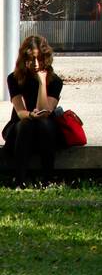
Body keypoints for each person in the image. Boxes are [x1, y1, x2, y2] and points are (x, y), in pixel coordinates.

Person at [2, 35, 64, 185]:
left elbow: (46, 111)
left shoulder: (55, 81)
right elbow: (20, 111)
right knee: (26, 123)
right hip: (22, 126)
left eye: (40, 59)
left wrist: (42, 82)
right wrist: (30, 114)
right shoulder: (14, 78)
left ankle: (48, 178)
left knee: (43, 123)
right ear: (24, 59)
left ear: (46, 58)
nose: (36, 64)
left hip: (46, 129)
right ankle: (20, 180)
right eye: (31, 59)